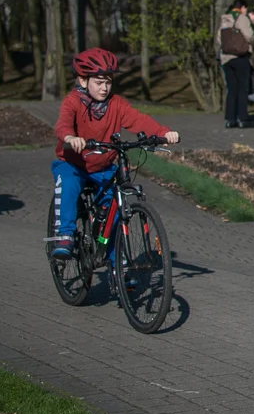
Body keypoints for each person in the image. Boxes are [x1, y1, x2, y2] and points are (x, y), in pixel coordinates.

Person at [50, 48, 180, 259]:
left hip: (103, 166)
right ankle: (65, 234)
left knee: (113, 213)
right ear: (83, 81)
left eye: (108, 82)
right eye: (99, 82)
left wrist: (162, 133)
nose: (104, 88)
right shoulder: (72, 101)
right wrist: (70, 138)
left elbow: (138, 119)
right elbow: (63, 123)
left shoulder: (115, 103)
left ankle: (117, 268)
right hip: (75, 163)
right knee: (68, 184)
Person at [216, 0, 254, 129]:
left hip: (226, 58)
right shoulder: (242, 18)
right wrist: (251, 42)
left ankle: (230, 119)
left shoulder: (225, 18)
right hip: (240, 57)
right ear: (242, 8)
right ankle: (242, 119)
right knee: (243, 88)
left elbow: (218, 38)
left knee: (231, 89)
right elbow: (249, 36)